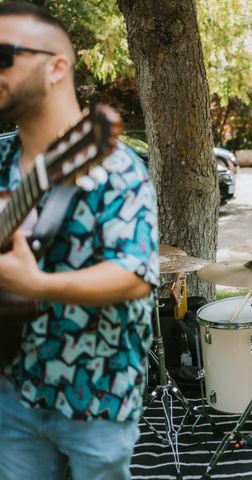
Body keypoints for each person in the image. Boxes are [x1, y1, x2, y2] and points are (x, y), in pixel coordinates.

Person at [0, 2, 158, 479]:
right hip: (13, 386)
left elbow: (133, 275)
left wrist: (36, 284)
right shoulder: (2, 154)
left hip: (97, 393)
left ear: (57, 67)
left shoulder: (117, 166)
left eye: (3, 55)